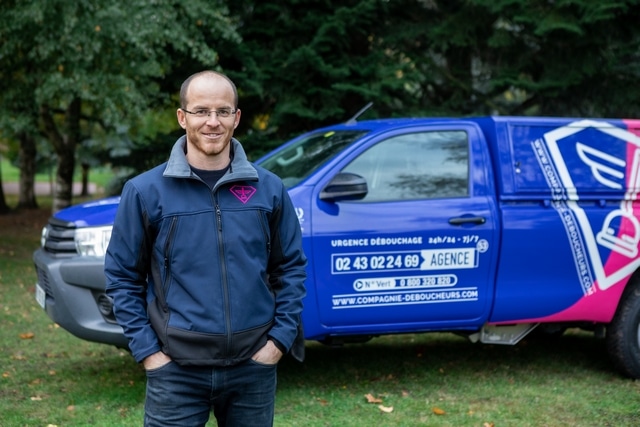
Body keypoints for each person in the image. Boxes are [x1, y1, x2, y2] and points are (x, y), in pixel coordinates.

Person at [104, 70, 307, 427]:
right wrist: (149, 353)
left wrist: (277, 342)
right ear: (182, 117)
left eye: (223, 111)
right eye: (201, 111)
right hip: (175, 373)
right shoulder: (145, 191)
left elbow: (290, 268)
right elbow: (122, 278)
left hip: (253, 368)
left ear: (236, 117)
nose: (212, 122)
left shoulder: (270, 189)